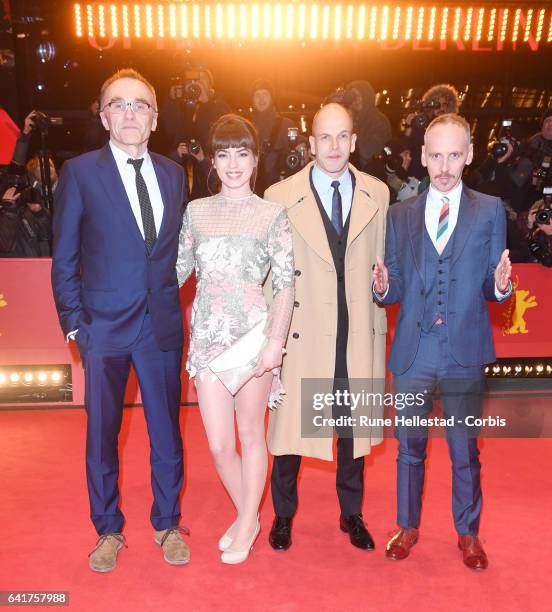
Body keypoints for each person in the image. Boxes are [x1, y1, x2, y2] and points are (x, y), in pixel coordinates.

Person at [51, 69, 189, 573]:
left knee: (167, 433)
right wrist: (75, 325)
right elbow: (63, 257)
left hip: (161, 328)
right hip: (102, 329)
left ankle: (168, 522)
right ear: (104, 114)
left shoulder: (175, 175)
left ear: (154, 118)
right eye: (119, 104)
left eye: (140, 105)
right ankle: (107, 528)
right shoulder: (80, 173)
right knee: (102, 435)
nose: (130, 113)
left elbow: (175, 254)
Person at [372, 113, 512, 571]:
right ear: (423, 156)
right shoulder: (399, 214)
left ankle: (468, 534)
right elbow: (393, 290)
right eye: (436, 155)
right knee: (408, 448)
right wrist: (380, 286)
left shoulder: (491, 210)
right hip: (414, 350)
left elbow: (494, 286)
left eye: (455, 155)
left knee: (464, 450)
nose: (445, 165)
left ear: (469, 154)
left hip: (464, 352)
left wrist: (503, 285)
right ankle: (407, 526)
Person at [265, 102, 389, 552]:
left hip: (357, 333)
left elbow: (383, 265)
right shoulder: (279, 196)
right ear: (311, 143)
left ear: (354, 142)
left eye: (343, 137)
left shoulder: (379, 193)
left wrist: (383, 288)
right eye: (325, 137)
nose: (334, 146)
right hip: (303, 332)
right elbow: (269, 275)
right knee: (292, 436)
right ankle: (282, 517)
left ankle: (351, 514)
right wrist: (270, 343)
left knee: (352, 433)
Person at [176, 114, 295, 564]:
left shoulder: (271, 214)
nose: (232, 164)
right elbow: (177, 271)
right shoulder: (196, 212)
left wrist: (273, 344)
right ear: (211, 159)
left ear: (255, 159)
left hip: (253, 339)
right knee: (219, 444)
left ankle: (246, 523)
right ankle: (249, 513)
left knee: (250, 435)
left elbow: (285, 284)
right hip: (208, 340)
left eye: (242, 153)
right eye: (223, 154)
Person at [250, 79, 296, 195]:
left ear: (272, 98)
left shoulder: (286, 124)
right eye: (257, 95)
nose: (261, 99)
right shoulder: (245, 126)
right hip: (251, 192)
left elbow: (297, 139)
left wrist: (303, 144)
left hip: (279, 191)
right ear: (252, 99)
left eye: (265, 94)